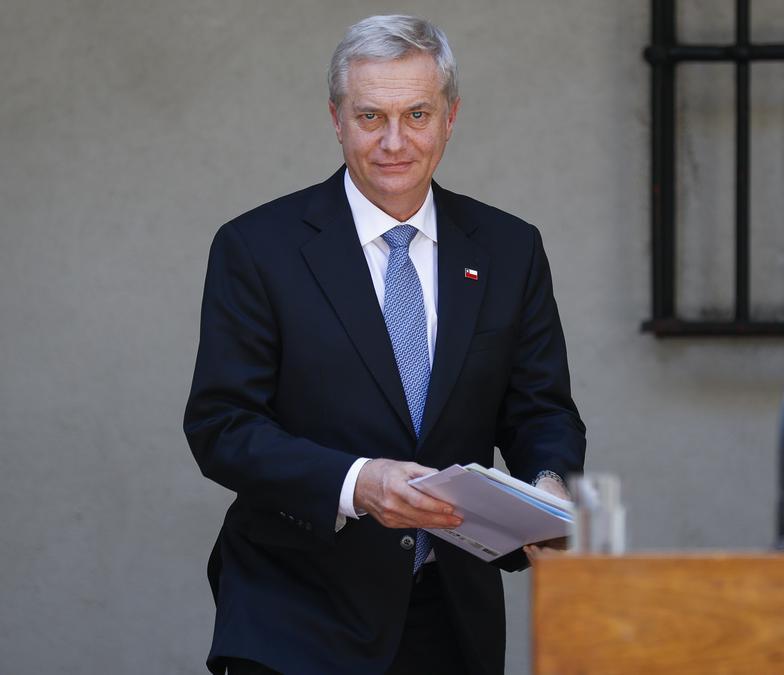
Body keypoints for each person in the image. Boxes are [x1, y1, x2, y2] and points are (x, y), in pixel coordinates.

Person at [183, 14, 585, 675]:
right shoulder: (257, 249)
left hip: (451, 613)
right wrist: (356, 482)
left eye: (417, 114)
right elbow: (222, 426)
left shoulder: (510, 249)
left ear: (450, 117)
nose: (394, 141)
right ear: (336, 118)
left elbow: (541, 408)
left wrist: (546, 491)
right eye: (370, 117)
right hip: (295, 613)